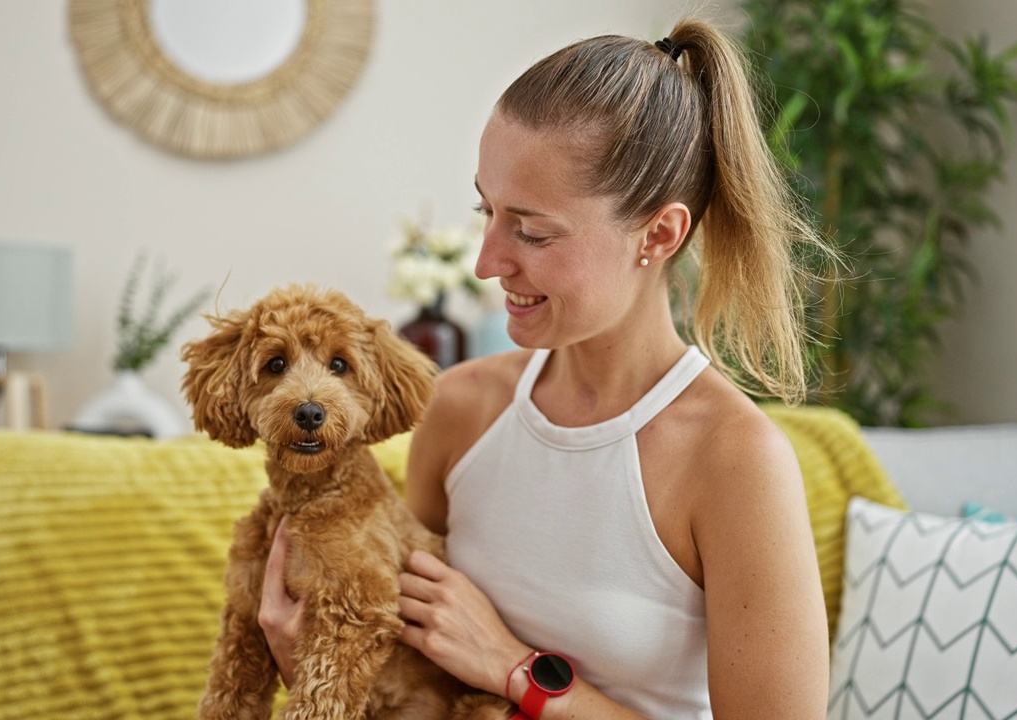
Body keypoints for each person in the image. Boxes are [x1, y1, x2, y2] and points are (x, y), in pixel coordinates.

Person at [260, 17, 831, 720]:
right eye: (487, 210)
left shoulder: (735, 459)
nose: (486, 262)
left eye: (531, 231)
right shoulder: (462, 408)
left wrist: (519, 671)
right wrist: (307, 663)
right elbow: (401, 665)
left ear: (658, 234)